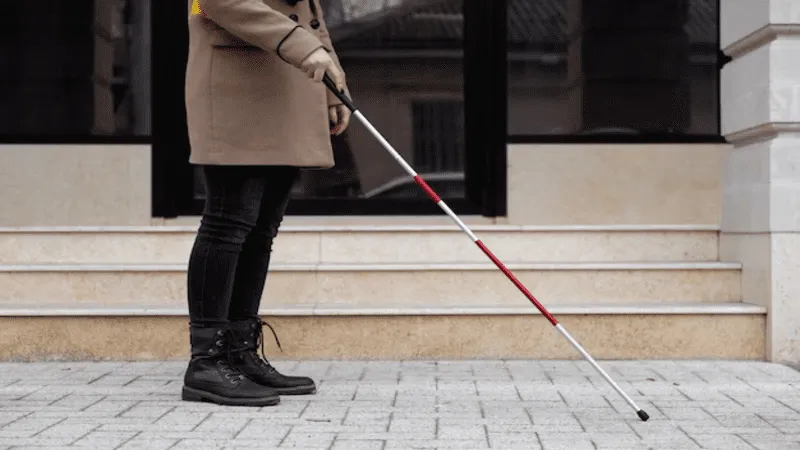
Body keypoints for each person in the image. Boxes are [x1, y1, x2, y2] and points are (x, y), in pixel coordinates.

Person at [181, 0, 351, 407]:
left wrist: (334, 81)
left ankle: (239, 352)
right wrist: (304, 47)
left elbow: (309, 13)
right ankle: (206, 362)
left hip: (289, 86)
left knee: (260, 230)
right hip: (235, 85)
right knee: (228, 222)